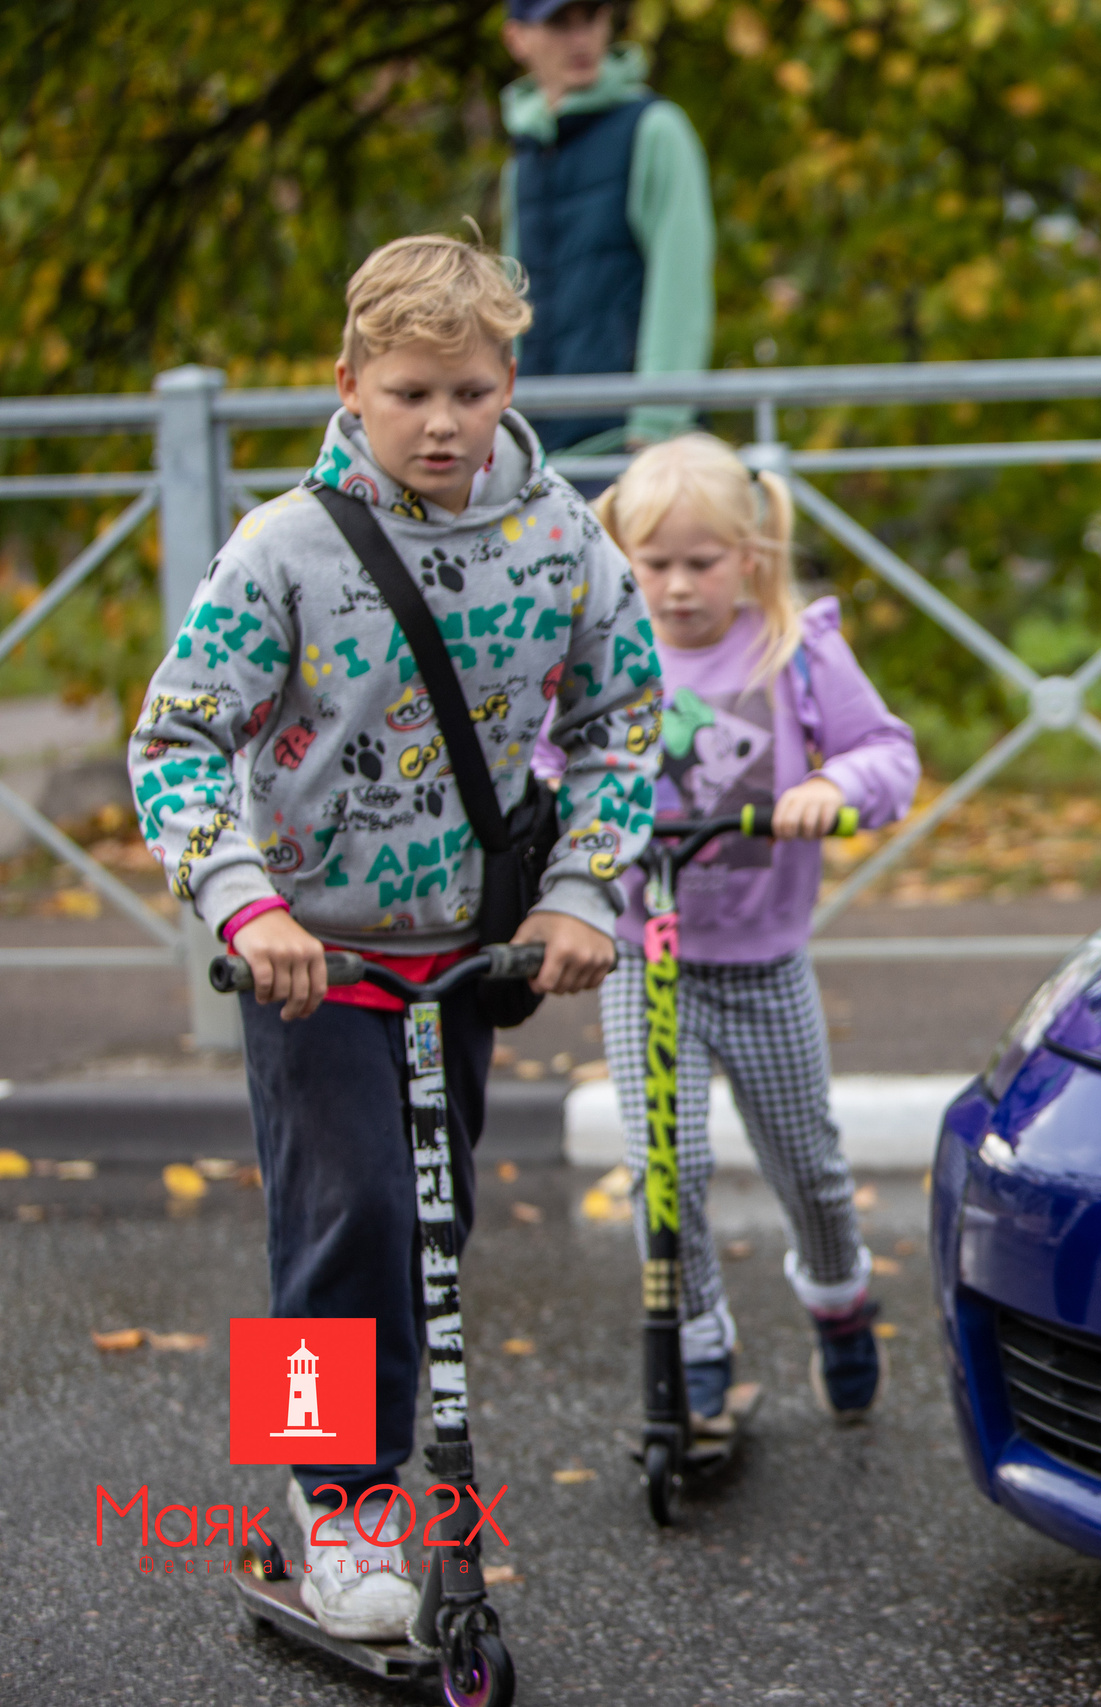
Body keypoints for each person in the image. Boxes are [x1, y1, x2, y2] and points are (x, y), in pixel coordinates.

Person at [127, 235, 662, 1639]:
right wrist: (245, 904)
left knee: (429, 1221)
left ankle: (357, 1471)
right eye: (410, 392)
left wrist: (580, 891)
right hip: (314, 955)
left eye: (469, 392)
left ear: (509, 384)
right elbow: (176, 739)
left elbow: (622, 719)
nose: (441, 423)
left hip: (470, 947)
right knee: (340, 1216)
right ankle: (332, 1495)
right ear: (350, 383)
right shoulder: (284, 549)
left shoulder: (563, 539)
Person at [538, 434, 918, 1428]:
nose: (675, 587)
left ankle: (838, 1300)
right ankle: (696, 1336)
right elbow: (543, 762)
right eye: (653, 563)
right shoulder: (603, 654)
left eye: (700, 563)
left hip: (761, 964)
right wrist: (557, 813)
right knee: (664, 1166)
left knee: (809, 1166)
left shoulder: (794, 650)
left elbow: (887, 753)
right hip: (642, 954)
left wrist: (833, 786)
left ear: (748, 557)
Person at [500, 0, 714, 458]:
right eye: (560, 23)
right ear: (516, 39)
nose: (581, 39)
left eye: (592, 17)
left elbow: (681, 289)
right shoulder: (521, 164)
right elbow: (509, 309)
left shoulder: (655, 129)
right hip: (541, 450)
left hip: (631, 446)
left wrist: (657, 428)